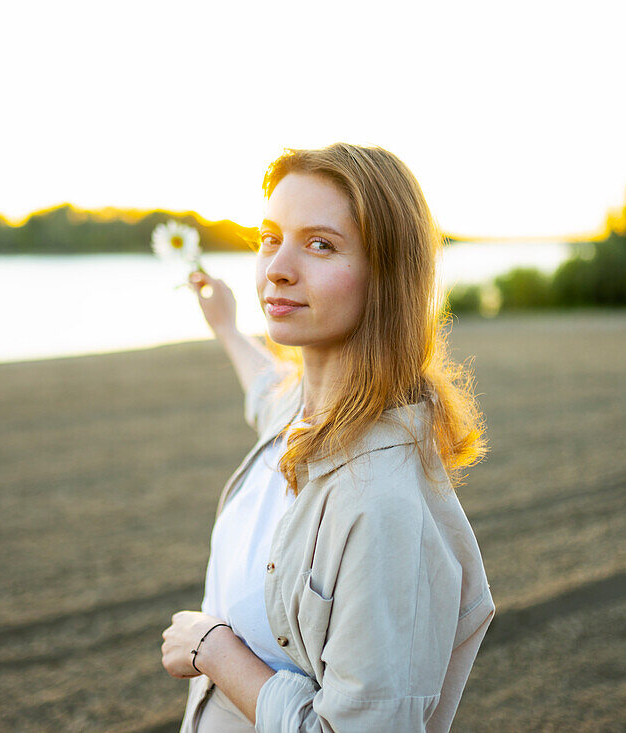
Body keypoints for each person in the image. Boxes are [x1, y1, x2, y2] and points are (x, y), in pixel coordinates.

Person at [160, 143, 494, 732]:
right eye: (269, 237)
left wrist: (215, 651)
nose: (278, 268)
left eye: (320, 244)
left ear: (387, 276)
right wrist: (225, 327)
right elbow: (268, 392)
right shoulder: (303, 417)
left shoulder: (381, 504)